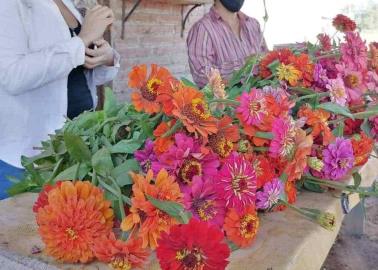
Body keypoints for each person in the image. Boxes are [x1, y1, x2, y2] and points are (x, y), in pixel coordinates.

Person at [0, 0, 120, 199]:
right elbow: (12, 76)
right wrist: (81, 41)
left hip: (74, 151)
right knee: (21, 228)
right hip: (28, 159)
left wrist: (106, 57)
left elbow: (76, 74)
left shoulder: (67, 4)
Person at [187, 0, 268, 88]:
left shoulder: (253, 24)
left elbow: (267, 63)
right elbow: (202, 75)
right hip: (228, 101)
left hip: (260, 100)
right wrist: (247, 64)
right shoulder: (202, 29)